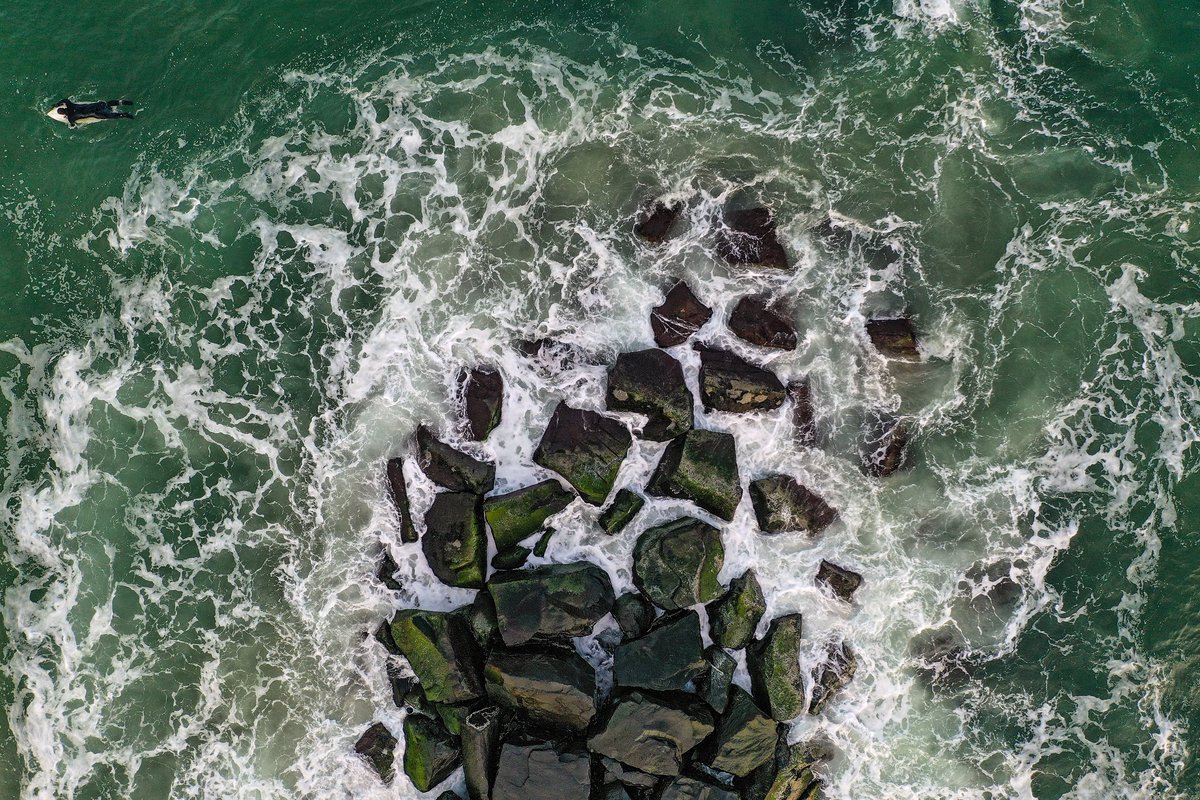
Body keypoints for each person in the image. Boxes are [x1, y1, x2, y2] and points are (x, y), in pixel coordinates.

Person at [52, 98, 134, 127]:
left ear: (63, 114)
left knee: (111, 115)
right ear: (64, 107)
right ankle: (125, 102)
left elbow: (73, 126)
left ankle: (126, 115)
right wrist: (57, 104)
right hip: (96, 105)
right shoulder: (70, 105)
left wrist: (71, 125)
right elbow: (65, 100)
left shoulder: (71, 118)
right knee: (108, 104)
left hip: (96, 114)